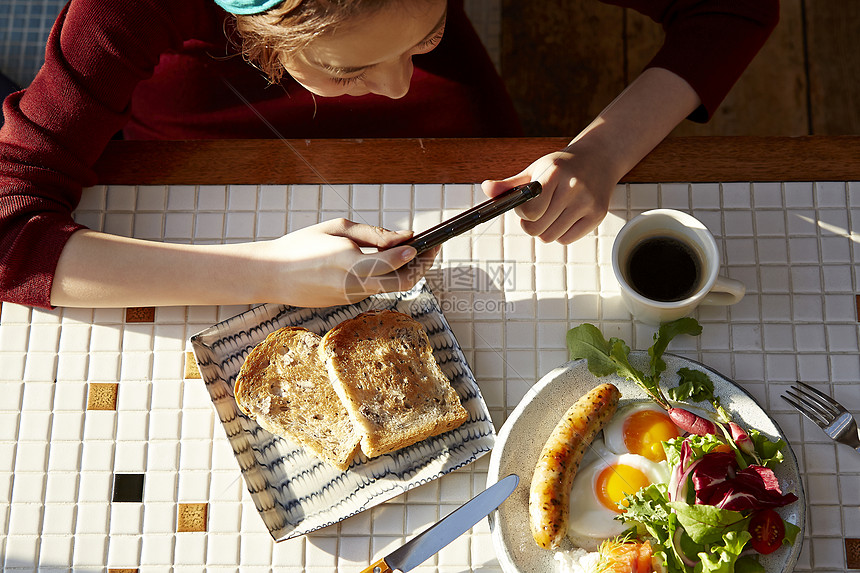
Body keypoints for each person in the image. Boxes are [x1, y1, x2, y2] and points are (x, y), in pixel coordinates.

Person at [0, 0, 778, 310]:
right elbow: (10, 233)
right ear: (262, 37)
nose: (401, 89)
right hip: (200, 145)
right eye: (349, 68)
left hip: (458, 138)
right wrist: (266, 272)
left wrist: (604, 150)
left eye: (428, 33)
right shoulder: (124, 9)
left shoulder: (407, 73)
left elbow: (734, 6)